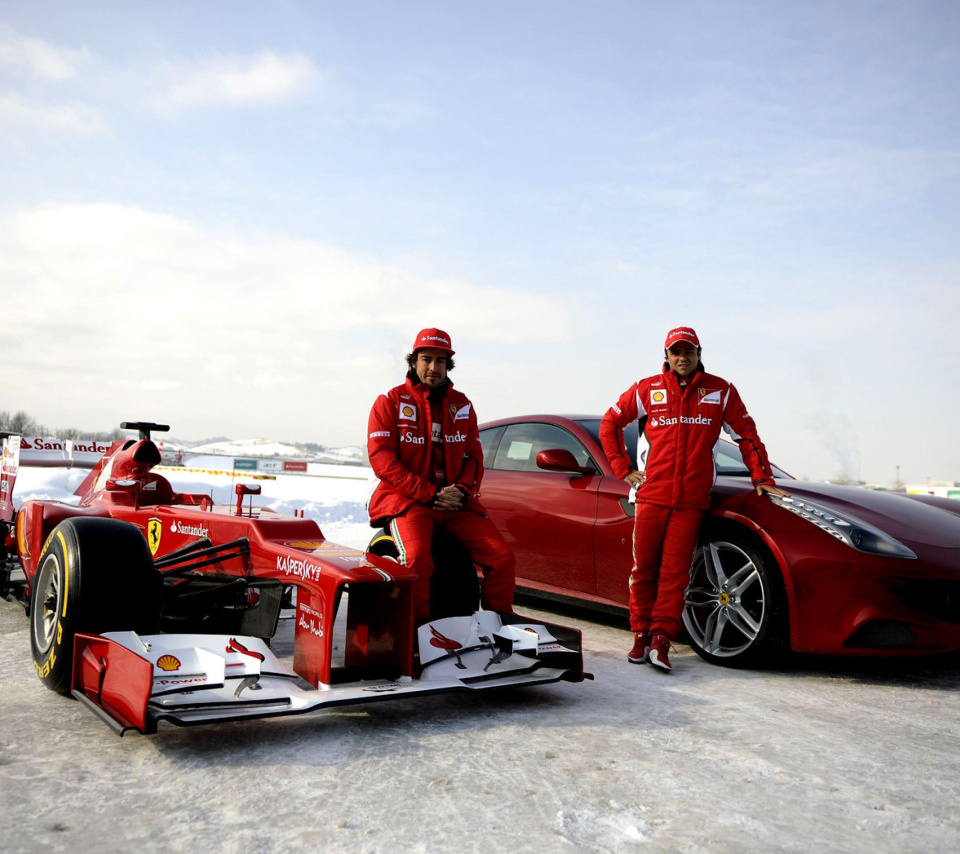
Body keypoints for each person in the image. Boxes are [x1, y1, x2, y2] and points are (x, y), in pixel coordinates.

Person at [599, 326, 789, 672]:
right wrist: (623, 470)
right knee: (643, 570)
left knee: (675, 574)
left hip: (691, 500)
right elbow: (609, 424)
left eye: (689, 352)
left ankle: (661, 640)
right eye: (676, 352)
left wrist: (762, 478)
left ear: (699, 354)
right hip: (652, 495)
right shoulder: (647, 388)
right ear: (666, 357)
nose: (682, 358)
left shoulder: (721, 391)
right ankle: (640, 635)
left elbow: (747, 435)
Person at [367, 328, 516, 627]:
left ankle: (498, 625)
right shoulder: (390, 402)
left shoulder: (462, 405)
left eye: (441, 361)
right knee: (419, 559)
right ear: (413, 362)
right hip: (409, 502)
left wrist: (461, 491)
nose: (434, 367)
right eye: (426, 359)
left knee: (502, 557)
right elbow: (382, 458)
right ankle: (417, 633)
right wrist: (428, 493)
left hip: (454, 504)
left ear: (449, 365)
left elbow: (473, 457)